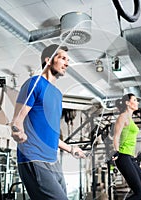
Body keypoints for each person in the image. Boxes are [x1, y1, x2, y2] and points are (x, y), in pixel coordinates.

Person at [11, 44, 85, 200]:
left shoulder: (57, 94)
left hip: (53, 161)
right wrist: (18, 132)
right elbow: (17, 120)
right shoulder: (34, 83)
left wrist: (71, 149)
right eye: (62, 58)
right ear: (48, 60)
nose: (66, 63)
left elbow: (48, 132)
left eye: (67, 60)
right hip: (34, 157)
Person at [112, 93, 141, 200]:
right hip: (123, 157)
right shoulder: (123, 117)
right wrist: (116, 151)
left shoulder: (130, 118)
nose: (137, 102)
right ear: (127, 103)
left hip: (130, 157)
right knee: (139, 193)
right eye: (135, 100)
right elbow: (116, 136)